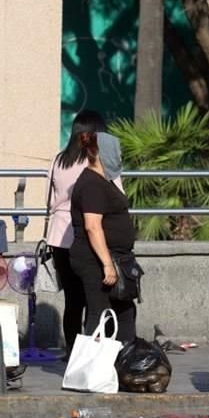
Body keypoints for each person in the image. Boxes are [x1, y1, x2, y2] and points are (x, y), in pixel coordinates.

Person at [69, 127, 136, 344]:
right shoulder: (91, 184)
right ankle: (89, 367)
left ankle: (123, 360)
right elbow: (92, 226)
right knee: (99, 311)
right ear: (100, 154)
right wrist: (107, 263)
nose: (118, 157)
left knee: (124, 309)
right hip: (95, 260)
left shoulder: (102, 181)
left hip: (114, 256)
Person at [46, 110, 102, 357]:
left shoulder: (59, 160)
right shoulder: (96, 160)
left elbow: (48, 202)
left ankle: (71, 351)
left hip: (58, 236)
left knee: (72, 299)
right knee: (94, 297)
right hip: (87, 235)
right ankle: (89, 352)